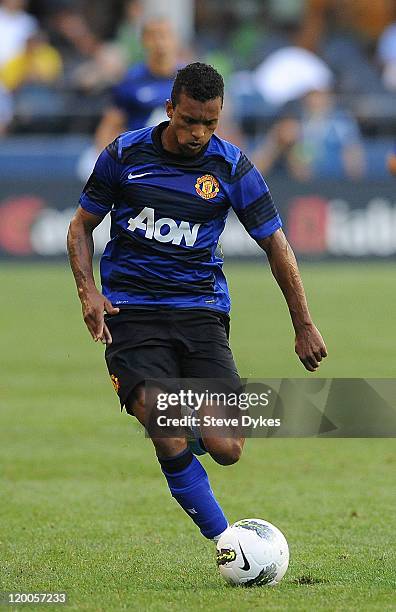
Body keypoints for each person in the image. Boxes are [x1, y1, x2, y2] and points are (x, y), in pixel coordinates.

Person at [67, 63, 327, 544]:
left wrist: (304, 324)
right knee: (163, 422)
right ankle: (228, 543)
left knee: (226, 448)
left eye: (210, 123)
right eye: (189, 121)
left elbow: (277, 245)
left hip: (200, 310)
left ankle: (182, 428)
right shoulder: (124, 155)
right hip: (131, 309)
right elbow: (81, 225)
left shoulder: (232, 167)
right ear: (170, 110)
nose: (199, 133)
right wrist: (88, 292)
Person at [77, 16, 179, 180]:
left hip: (179, 164)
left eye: (165, 35)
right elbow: (110, 125)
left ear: (175, 40)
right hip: (140, 165)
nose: (160, 42)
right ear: (144, 41)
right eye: (154, 36)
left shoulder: (187, 80)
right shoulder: (131, 80)